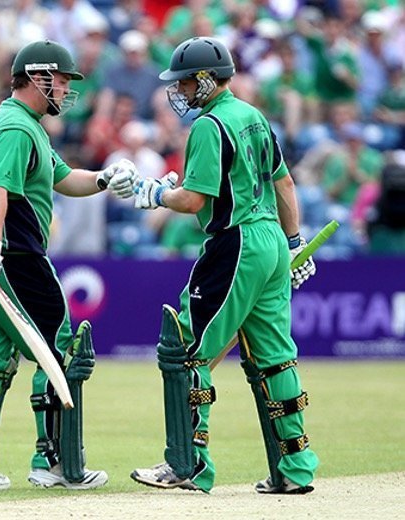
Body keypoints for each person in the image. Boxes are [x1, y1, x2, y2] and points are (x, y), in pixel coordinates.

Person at [0, 39, 138, 491]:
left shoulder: (19, 122)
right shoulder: (18, 127)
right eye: (62, 80)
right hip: (14, 259)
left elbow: (64, 178)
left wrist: (105, 177)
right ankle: (55, 463)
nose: (66, 90)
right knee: (61, 353)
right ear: (38, 77)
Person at [130, 37, 319, 494]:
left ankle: (188, 463)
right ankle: (295, 470)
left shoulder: (210, 125)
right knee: (275, 359)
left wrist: (156, 193)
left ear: (205, 79)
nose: (180, 90)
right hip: (271, 241)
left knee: (185, 348)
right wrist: (294, 242)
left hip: (235, 243)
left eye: (185, 82)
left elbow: (194, 200)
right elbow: (285, 183)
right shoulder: (253, 116)